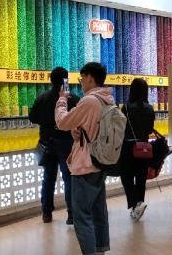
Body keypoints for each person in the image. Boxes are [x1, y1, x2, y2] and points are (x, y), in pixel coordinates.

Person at [55, 62, 113, 255]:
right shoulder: (107, 99)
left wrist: (61, 100)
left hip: (85, 165)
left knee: (82, 217)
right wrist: (77, 131)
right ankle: (100, 249)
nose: (80, 82)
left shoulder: (89, 101)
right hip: (100, 161)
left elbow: (62, 122)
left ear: (89, 78)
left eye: (82, 78)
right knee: (99, 212)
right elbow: (93, 128)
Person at [29, 67, 80, 225]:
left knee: (48, 178)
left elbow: (32, 117)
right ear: (66, 80)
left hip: (47, 143)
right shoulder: (73, 99)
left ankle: (46, 212)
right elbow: (79, 119)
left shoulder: (42, 98)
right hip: (67, 143)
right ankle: (71, 213)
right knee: (68, 178)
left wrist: (46, 123)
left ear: (50, 80)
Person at [119, 78, 155, 221]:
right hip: (144, 147)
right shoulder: (149, 108)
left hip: (128, 147)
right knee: (141, 178)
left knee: (126, 176)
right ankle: (138, 205)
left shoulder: (126, 108)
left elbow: (121, 128)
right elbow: (150, 129)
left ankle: (135, 204)